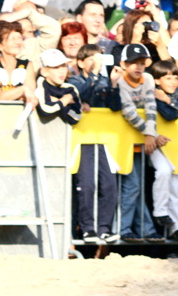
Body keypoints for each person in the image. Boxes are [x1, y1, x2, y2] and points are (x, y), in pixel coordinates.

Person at [67, 44, 121, 243]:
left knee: (109, 185)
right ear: (80, 62)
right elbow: (79, 94)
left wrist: (114, 84)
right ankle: (88, 228)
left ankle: (104, 227)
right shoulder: (75, 79)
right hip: (83, 140)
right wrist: (94, 75)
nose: (96, 62)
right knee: (87, 185)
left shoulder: (105, 81)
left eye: (99, 58)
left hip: (106, 139)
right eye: (91, 58)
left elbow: (115, 107)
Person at [117, 43, 169, 243]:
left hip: (139, 141)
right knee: (131, 186)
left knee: (136, 185)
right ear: (123, 64)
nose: (138, 67)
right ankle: (125, 228)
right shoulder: (119, 83)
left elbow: (150, 107)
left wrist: (150, 134)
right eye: (133, 63)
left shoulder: (147, 79)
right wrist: (151, 135)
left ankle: (144, 229)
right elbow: (128, 112)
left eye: (141, 63)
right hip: (123, 143)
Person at [151, 59, 178, 241]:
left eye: (175, 77)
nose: (173, 81)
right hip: (155, 143)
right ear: (157, 80)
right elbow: (168, 115)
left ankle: (177, 226)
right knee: (164, 172)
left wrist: (167, 100)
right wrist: (169, 104)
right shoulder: (151, 93)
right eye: (167, 78)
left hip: (174, 145)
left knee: (176, 186)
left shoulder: (177, 93)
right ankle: (160, 211)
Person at [0, 19, 38, 106]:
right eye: (13, 38)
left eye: (20, 38)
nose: (18, 42)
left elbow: (29, 93)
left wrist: (7, 95)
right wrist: (22, 90)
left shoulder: (27, 65)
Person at [34, 48, 82, 126]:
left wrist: (57, 101)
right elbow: (46, 110)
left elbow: (76, 117)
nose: (62, 71)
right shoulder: (40, 85)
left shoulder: (70, 89)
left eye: (64, 66)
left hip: (60, 136)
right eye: (56, 67)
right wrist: (64, 101)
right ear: (44, 72)